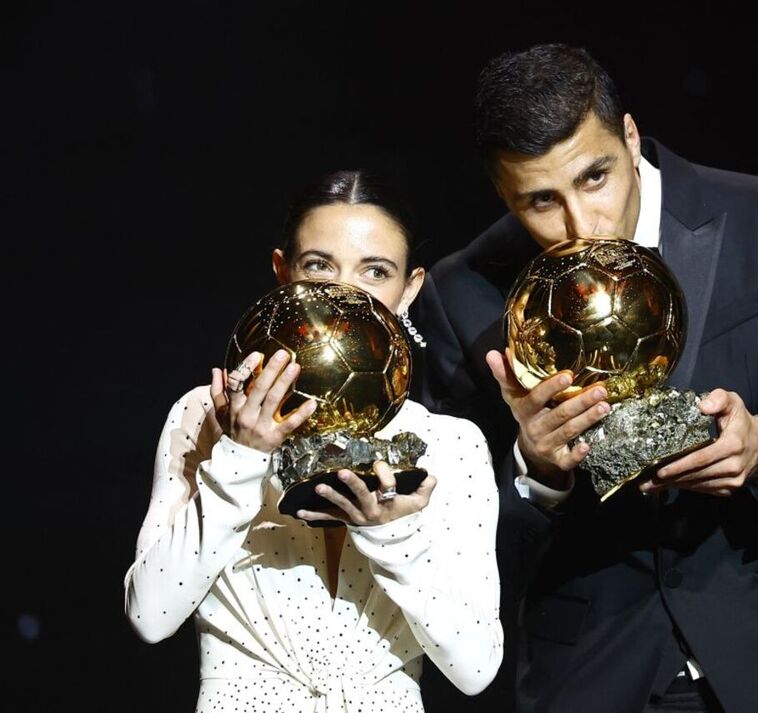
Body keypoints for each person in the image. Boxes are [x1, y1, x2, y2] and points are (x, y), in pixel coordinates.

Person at [415, 44, 758, 713]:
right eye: (541, 200)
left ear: (630, 137)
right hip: (597, 677)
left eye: (595, 178)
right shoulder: (463, 293)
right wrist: (536, 474)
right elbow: (446, 560)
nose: (582, 224)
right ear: (502, 192)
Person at [124, 171, 503, 712]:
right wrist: (240, 456)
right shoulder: (204, 415)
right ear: (283, 273)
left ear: (410, 289)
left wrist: (393, 537)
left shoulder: (448, 444)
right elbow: (150, 615)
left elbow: (476, 669)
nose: (343, 295)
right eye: (319, 265)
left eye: (375, 271)